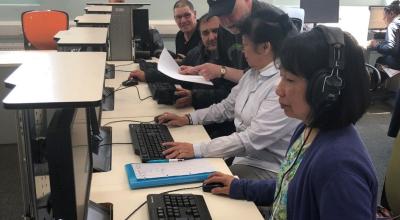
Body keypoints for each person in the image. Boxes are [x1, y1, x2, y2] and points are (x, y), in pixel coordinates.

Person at [203, 26, 378, 219]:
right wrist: (239, 187)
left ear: (326, 91)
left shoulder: (339, 169)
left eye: (290, 80)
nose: (279, 89)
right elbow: (288, 186)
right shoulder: (307, 129)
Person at [157, 10, 299, 180]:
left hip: (270, 169)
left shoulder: (280, 86)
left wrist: (196, 149)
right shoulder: (252, 74)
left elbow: (249, 139)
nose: (242, 51)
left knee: (199, 180)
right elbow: (225, 108)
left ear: (265, 47)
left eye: (245, 45)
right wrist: (188, 118)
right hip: (244, 157)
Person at [180, 0, 297, 83]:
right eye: (219, 15)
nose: (225, 21)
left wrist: (221, 71)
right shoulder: (226, 26)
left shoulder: (275, 23)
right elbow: (224, 67)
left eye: (229, 11)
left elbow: (272, 79)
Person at [368, 0, 400, 70]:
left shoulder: (393, 24)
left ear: (391, 13)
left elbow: (390, 47)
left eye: (385, 15)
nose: (384, 18)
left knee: (380, 60)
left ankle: (375, 81)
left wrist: (376, 45)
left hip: (398, 63)